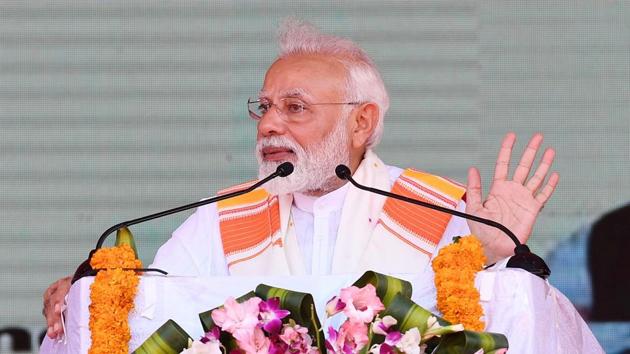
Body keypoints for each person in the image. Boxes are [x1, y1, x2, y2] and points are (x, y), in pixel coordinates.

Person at [42, 19, 559, 339]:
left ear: (362, 122)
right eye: (265, 107)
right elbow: (151, 304)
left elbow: (501, 323)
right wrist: (87, 292)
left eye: (295, 107)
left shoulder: (438, 208)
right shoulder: (227, 215)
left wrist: (501, 254)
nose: (269, 124)